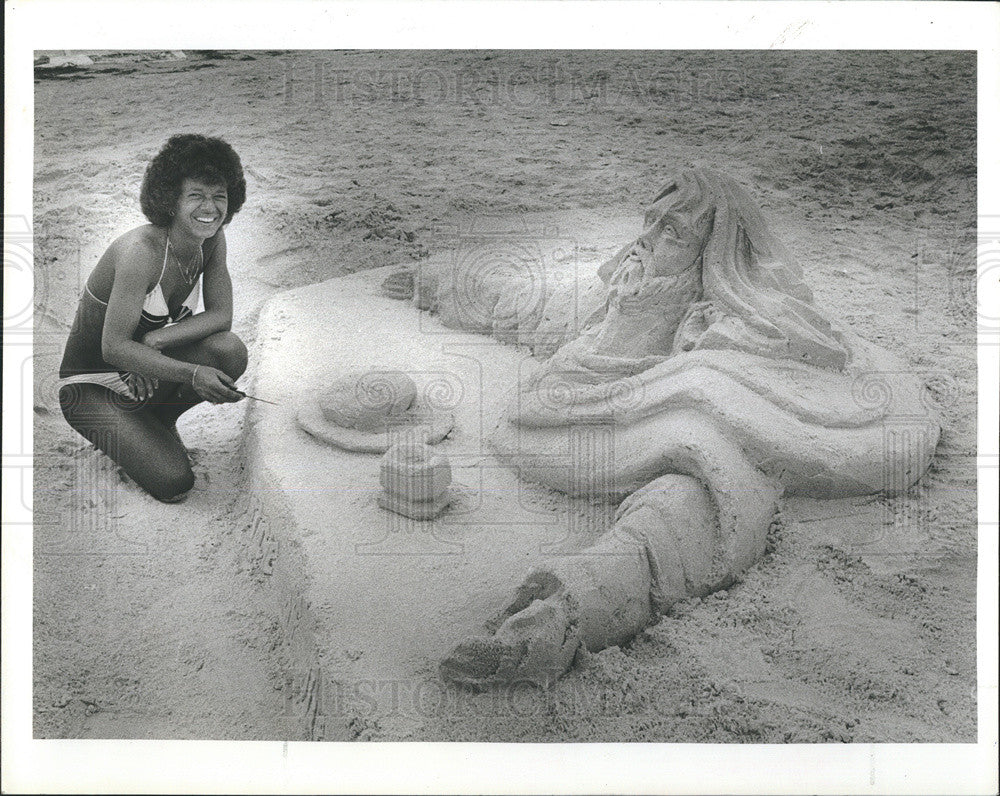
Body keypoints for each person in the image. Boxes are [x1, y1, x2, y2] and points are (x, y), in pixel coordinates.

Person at [58, 134, 249, 502]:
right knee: (175, 482)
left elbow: (221, 316)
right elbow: (113, 348)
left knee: (229, 351)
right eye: (196, 195)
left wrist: (155, 341)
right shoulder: (141, 251)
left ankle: (154, 424)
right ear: (171, 200)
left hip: (143, 369)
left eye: (219, 196)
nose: (209, 208)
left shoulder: (211, 239)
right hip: (91, 384)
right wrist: (191, 373)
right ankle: (137, 432)